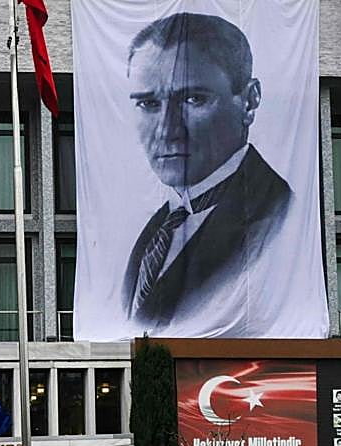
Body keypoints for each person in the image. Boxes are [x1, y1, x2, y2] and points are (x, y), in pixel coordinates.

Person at [120, 12, 290, 330]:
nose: (166, 131)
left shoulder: (277, 216)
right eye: (148, 104)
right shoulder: (156, 231)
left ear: (250, 101)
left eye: (193, 99)